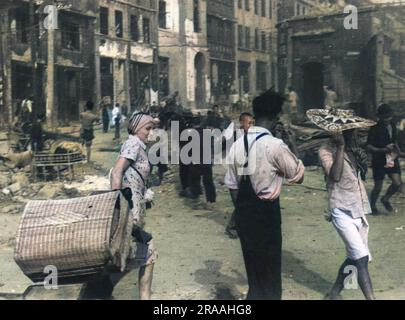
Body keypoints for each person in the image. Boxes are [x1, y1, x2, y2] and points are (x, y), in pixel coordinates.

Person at [225, 89, 305, 300]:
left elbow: (233, 187)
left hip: (244, 213)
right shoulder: (275, 145)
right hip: (267, 214)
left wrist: (241, 211)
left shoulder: (236, 145)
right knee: (270, 274)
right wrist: (292, 142)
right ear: (276, 117)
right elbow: (297, 175)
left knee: (254, 272)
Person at [307, 108, 377, 300]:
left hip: (358, 208)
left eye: (351, 130)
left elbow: (358, 177)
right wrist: (340, 148)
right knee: (361, 258)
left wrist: (361, 163)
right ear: (337, 132)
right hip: (341, 209)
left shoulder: (354, 150)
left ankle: (334, 293)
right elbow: (336, 176)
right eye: (347, 130)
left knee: (354, 257)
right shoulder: (325, 150)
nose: (352, 133)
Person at [110, 112, 158, 300]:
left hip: (135, 207)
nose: (150, 132)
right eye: (147, 128)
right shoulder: (133, 144)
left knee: (134, 254)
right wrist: (119, 204)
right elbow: (117, 172)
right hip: (129, 210)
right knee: (148, 252)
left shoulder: (138, 145)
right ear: (137, 129)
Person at [367, 104, 404, 215]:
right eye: (385, 117)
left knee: (397, 183)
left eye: (389, 116)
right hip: (379, 160)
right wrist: (382, 150)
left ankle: (385, 199)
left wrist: (399, 152)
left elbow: (394, 141)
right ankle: (372, 206)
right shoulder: (374, 128)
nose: (387, 119)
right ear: (380, 117)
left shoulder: (392, 125)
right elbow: (368, 146)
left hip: (392, 157)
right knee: (378, 187)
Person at [225, 112, 254, 239]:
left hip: (241, 180)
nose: (252, 126)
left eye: (253, 123)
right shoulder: (238, 142)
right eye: (250, 123)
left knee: (243, 206)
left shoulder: (248, 138)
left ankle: (239, 227)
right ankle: (231, 227)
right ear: (242, 123)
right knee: (241, 207)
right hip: (235, 182)